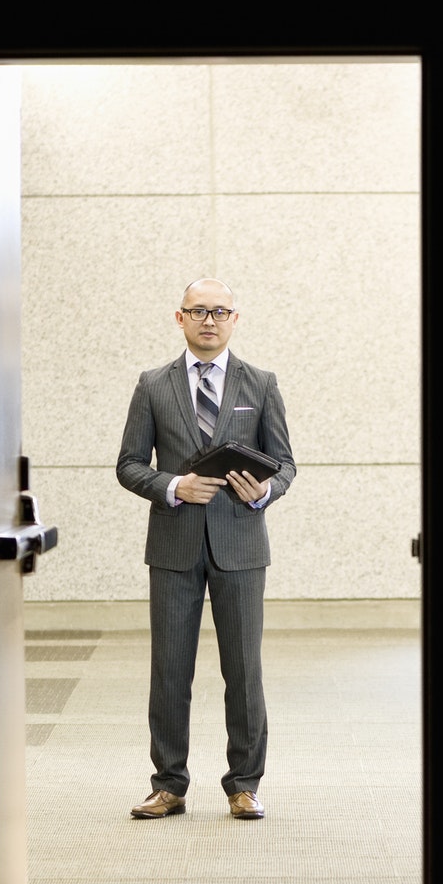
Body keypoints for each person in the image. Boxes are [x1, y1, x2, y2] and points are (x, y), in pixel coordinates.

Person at [116, 278, 296, 820]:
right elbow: (128, 464)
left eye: (220, 311)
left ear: (234, 318)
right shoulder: (152, 384)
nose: (209, 320)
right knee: (170, 670)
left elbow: (285, 463)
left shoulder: (260, 383)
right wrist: (173, 487)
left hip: (241, 545)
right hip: (173, 547)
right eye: (198, 311)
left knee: (243, 671)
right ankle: (168, 785)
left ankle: (244, 784)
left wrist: (266, 491)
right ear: (180, 318)